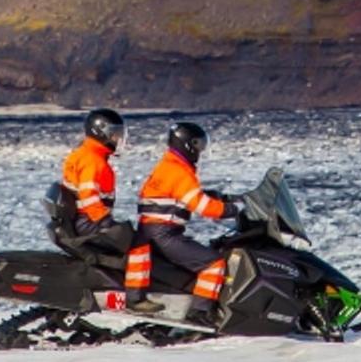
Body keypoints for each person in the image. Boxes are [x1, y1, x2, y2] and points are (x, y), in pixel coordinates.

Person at [125, 121, 237, 324]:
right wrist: (233, 209)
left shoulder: (168, 165)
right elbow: (204, 208)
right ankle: (200, 312)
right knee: (214, 263)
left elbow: (182, 196)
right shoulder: (180, 171)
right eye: (197, 144)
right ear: (185, 144)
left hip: (150, 230)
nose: (199, 150)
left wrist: (214, 196)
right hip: (165, 234)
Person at [57, 108, 133, 258]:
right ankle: (133, 281)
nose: (118, 138)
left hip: (81, 219)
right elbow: (88, 196)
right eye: (115, 133)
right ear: (101, 132)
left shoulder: (82, 154)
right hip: (89, 222)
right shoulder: (93, 161)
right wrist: (106, 223)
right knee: (134, 243)